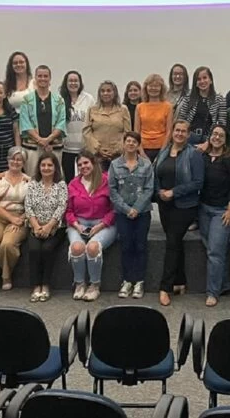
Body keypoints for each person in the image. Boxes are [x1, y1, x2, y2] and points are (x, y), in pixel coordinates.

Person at [155, 120, 205, 306]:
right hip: (164, 204)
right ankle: (179, 281)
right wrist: (159, 191)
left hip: (184, 206)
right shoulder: (164, 151)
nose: (180, 134)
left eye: (184, 131)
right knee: (175, 242)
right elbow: (157, 173)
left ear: (189, 134)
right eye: (177, 130)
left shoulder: (194, 154)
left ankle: (164, 287)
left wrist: (174, 192)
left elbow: (198, 183)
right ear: (172, 132)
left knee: (172, 242)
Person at [198, 125, 230, 307]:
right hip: (204, 209)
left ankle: (213, 292)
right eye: (214, 134)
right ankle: (224, 284)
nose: (216, 137)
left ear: (226, 139)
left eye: (221, 135)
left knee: (214, 252)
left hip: (223, 211)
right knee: (211, 248)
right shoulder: (202, 157)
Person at [65, 151, 116, 301]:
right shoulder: (73, 184)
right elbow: (68, 211)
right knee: (77, 248)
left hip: (104, 223)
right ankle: (80, 284)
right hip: (78, 223)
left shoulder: (107, 180)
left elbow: (114, 209)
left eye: (86, 163)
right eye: (79, 165)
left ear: (93, 163)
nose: (83, 167)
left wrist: (101, 225)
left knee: (93, 247)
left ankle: (95, 285)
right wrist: (76, 225)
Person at [109, 132, 154, 300]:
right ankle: (127, 280)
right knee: (126, 246)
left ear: (138, 145)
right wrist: (127, 209)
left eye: (134, 142)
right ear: (123, 144)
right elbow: (112, 190)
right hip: (122, 213)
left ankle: (139, 281)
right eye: (127, 141)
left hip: (142, 213)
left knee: (140, 246)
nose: (130, 144)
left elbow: (149, 189)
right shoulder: (115, 165)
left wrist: (136, 208)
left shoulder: (146, 165)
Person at [0, 146, 32, 290]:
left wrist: (21, 218)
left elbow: (31, 205)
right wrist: (10, 218)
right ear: (8, 160)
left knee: (7, 245)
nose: (15, 162)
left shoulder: (29, 181)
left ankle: (6, 275)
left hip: (19, 218)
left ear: (24, 163)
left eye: (19, 160)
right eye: (13, 159)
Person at [25, 151, 68, 302]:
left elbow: (62, 207)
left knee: (47, 249)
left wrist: (49, 226)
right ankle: (36, 286)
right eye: (43, 165)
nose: (46, 168)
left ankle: (46, 285)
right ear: (39, 167)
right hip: (35, 226)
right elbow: (28, 206)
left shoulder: (61, 185)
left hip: (56, 228)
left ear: (55, 167)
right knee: (34, 249)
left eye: (50, 165)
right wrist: (36, 226)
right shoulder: (32, 184)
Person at [19, 65, 66, 178]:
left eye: (46, 76)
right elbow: (25, 122)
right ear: (35, 78)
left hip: (53, 147)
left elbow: (61, 122)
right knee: (32, 178)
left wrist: (48, 140)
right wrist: (40, 140)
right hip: (32, 148)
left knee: (54, 178)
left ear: (50, 79)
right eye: (40, 76)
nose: (43, 78)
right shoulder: (26, 100)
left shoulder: (59, 100)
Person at [176, 66, 226, 151]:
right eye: (199, 79)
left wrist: (208, 143)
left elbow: (222, 124)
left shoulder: (220, 99)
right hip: (189, 138)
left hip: (210, 139)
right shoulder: (188, 98)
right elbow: (181, 120)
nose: (202, 81)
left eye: (205, 78)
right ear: (195, 83)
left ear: (211, 80)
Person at [84, 81, 132, 170]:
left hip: (118, 155)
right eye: (102, 91)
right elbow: (86, 132)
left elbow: (128, 132)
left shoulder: (123, 109)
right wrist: (98, 149)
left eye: (109, 91)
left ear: (115, 93)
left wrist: (117, 149)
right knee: (98, 182)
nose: (105, 93)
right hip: (97, 156)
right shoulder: (92, 109)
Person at [60, 71, 95, 183]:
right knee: (69, 180)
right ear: (66, 83)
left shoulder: (88, 99)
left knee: (85, 180)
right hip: (66, 149)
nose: (73, 83)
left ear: (80, 83)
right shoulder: (60, 99)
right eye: (70, 81)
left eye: (76, 81)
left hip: (84, 148)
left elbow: (93, 122)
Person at [136, 74, 174, 161]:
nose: (153, 88)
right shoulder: (139, 107)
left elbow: (169, 131)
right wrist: (141, 152)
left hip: (162, 148)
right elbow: (137, 131)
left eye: (157, 86)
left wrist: (162, 152)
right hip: (143, 148)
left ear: (161, 88)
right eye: (151, 86)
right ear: (146, 88)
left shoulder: (168, 106)